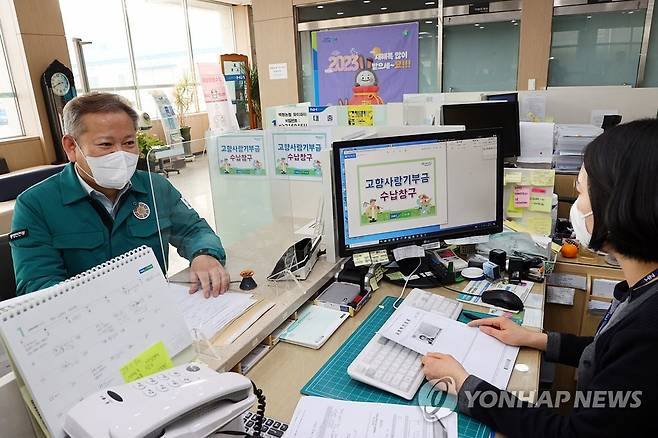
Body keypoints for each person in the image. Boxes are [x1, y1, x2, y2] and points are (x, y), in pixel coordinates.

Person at [422, 119, 658, 437]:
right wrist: (536, 339)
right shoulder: (645, 294)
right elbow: (613, 352)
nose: (575, 207)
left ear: (618, 204)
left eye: (582, 192)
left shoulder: (650, 330)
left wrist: (464, 384)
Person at [10, 92, 229, 298]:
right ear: (71, 146)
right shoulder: (35, 205)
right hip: (87, 323)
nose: (120, 154)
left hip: (156, 306)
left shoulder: (154, 187)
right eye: (106, 144)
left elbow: (194, 229)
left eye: (129, 142)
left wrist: (204, 254)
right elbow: (38, 286)